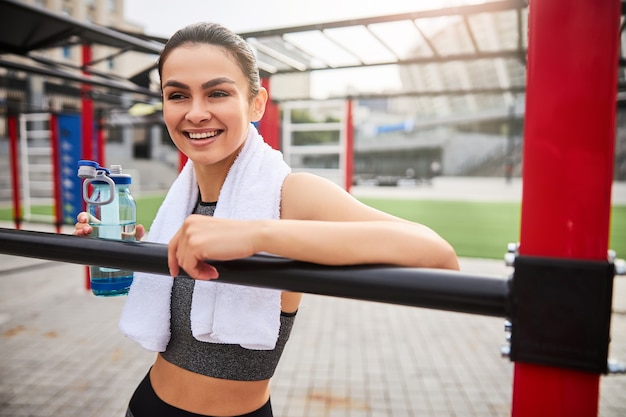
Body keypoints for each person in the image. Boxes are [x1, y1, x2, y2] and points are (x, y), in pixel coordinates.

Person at [75, 22, 459, 417]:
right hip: (144, 406)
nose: (196, 112)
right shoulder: (181, 202)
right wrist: (134, 257)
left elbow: (438, 254)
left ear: (256, 104)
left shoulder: (289, 195)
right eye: (177, 95)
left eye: (218, 92)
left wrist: (256, 234)